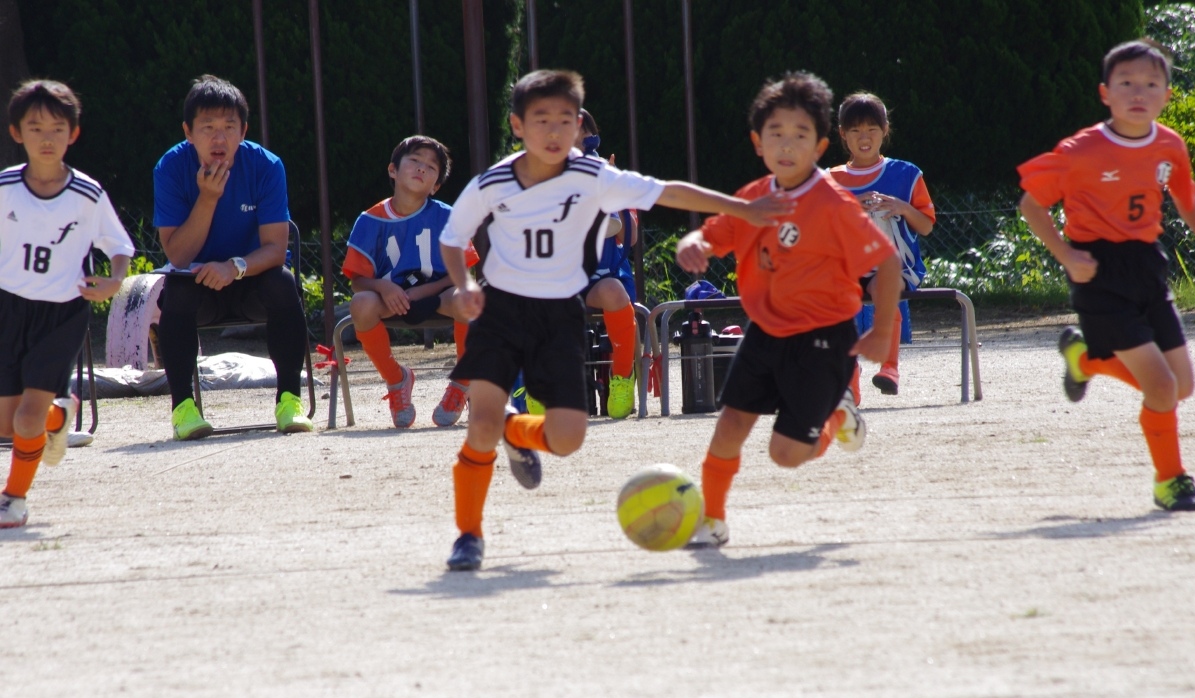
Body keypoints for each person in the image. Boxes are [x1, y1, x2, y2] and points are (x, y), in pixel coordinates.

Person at [437, 68, 794, 570]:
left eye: (565, 119)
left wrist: (743, 209)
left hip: (560, 314)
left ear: (579, 125)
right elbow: (452, 238)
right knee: (481, 423)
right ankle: (468, 536)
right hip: (501, 310)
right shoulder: (492, 182)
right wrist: (465, 284)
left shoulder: (593, 177)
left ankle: (516, 431)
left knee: (567, 439)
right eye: (542, 119)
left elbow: (669, 191)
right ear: (517, 126)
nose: (555, 131)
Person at [674, 71, 902, 548]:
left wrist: (882, 330)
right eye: (776, 133)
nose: (786, 144)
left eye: (800, 134)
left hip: (824, 338)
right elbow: (711, 235)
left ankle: (837, 416)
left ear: (820, 147)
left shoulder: (834, 204)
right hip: (764, 332)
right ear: (758, 142)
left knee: (786, 455)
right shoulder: (752, 197)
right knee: (729, 427)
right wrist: (693, 244)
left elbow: (887, 263)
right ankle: (711, 520)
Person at [1018, 40, 1195, 512]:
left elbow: (1187, 199)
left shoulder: (1170, 145)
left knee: (1181, 386)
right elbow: (1032, 205)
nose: (1139, 92)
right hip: (1098, 272)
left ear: (1167, 95)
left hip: (1147, 266)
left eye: (1151, 84)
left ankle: (1085, 358)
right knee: (1162, 388)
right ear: (1105, 93)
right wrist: (1065, 255)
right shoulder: (1081, 150)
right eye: (1126, 82)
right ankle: (1170, 481)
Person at [0, 80, 134, 527]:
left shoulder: (87, 194)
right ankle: (59, 415)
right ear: (16, 132)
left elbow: (119, 246)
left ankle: (13, 500)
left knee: (26, 421)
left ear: (73, 134)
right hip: (8, 309)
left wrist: (114, 280)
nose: (46, 138)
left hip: (62, 312)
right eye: (35, 127)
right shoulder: (4, 187)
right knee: (8, 425)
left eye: (57, 128)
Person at [153, 74, 311, 440]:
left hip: (251, 281)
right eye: (208, 127)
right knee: (176, 290)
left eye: (229, 127)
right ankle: (184, 409)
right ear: (188, 132)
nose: (219, 138)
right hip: (198, 286)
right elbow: (178, 255)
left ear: (244, 131)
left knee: (283, 282)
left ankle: (290, 401)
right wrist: (208, 198)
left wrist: (234, 267)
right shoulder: (170, 167)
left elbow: (275, 249)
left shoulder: (266, 165)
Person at [342, 135, 475, 428]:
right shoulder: (369, 219)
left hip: (440, 296)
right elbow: (358, 281)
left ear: (436, 185)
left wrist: (425, 290)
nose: (421, 168)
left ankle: (462, 383)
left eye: (431, 167)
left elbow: (462, 273)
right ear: (393, 170)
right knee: (361, 304)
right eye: (414, 160)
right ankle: (397, 379)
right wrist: (384, 286)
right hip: (390, 299)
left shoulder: (448, 216)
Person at [829, 92, 935, 399]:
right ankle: (849, 378)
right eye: (855, 130)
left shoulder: (906, 174)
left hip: (894, 265)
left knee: (884, 286)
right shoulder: (829, 180)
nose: (864, 138)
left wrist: (902, 207)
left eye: (871, 129)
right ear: (842, 134)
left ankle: (890, 367)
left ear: (885, 130)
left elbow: (926, 226)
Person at [577, 109, 640, 419]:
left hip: (599, 278)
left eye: (585, 133)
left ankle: (622, 376)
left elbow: (629, 238)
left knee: (614, 292)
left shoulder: (609, 175)